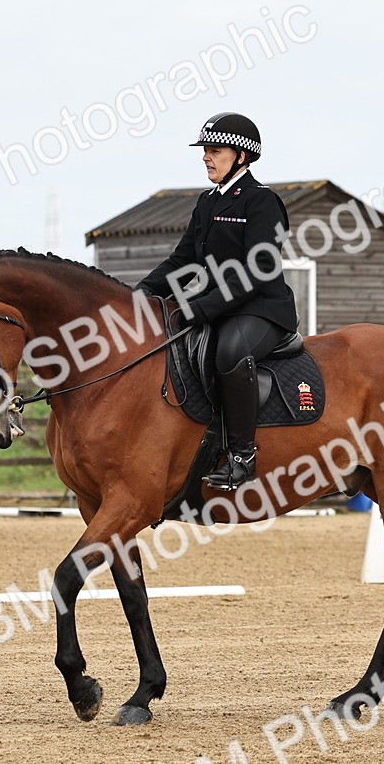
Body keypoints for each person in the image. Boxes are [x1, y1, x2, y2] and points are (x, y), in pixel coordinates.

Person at [135, 112, 299, 489]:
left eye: (215, 150)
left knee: (228, 354)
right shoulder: (207, 202)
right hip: (218, 305)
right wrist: (144, 292)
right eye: (205, 151)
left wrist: (203, 308)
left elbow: (257, 269)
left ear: (241, 157)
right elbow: (184, 260)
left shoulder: (262, 202)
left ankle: (243, 457)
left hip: (261, 309)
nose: (206, 157)